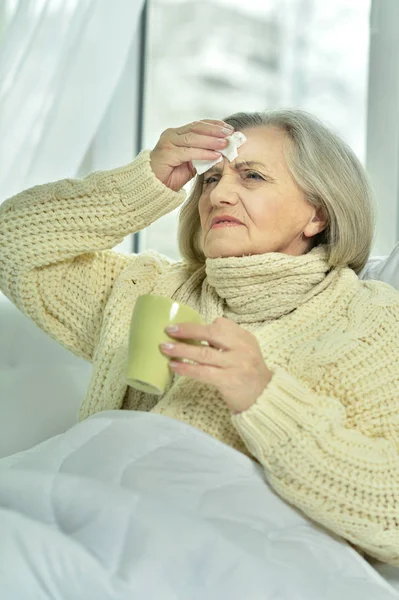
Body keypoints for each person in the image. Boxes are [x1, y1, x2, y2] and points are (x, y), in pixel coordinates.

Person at [0, 110, 398, 567]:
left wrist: (264, 398)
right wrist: (146, 181)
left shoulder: (370, 323)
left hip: (233, 561)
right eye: (210, 179)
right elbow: (13, 240)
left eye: (251, 176)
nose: (220, 194)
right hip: (95, 529)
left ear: (318, 214)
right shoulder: (150, 289)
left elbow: (392, 513)